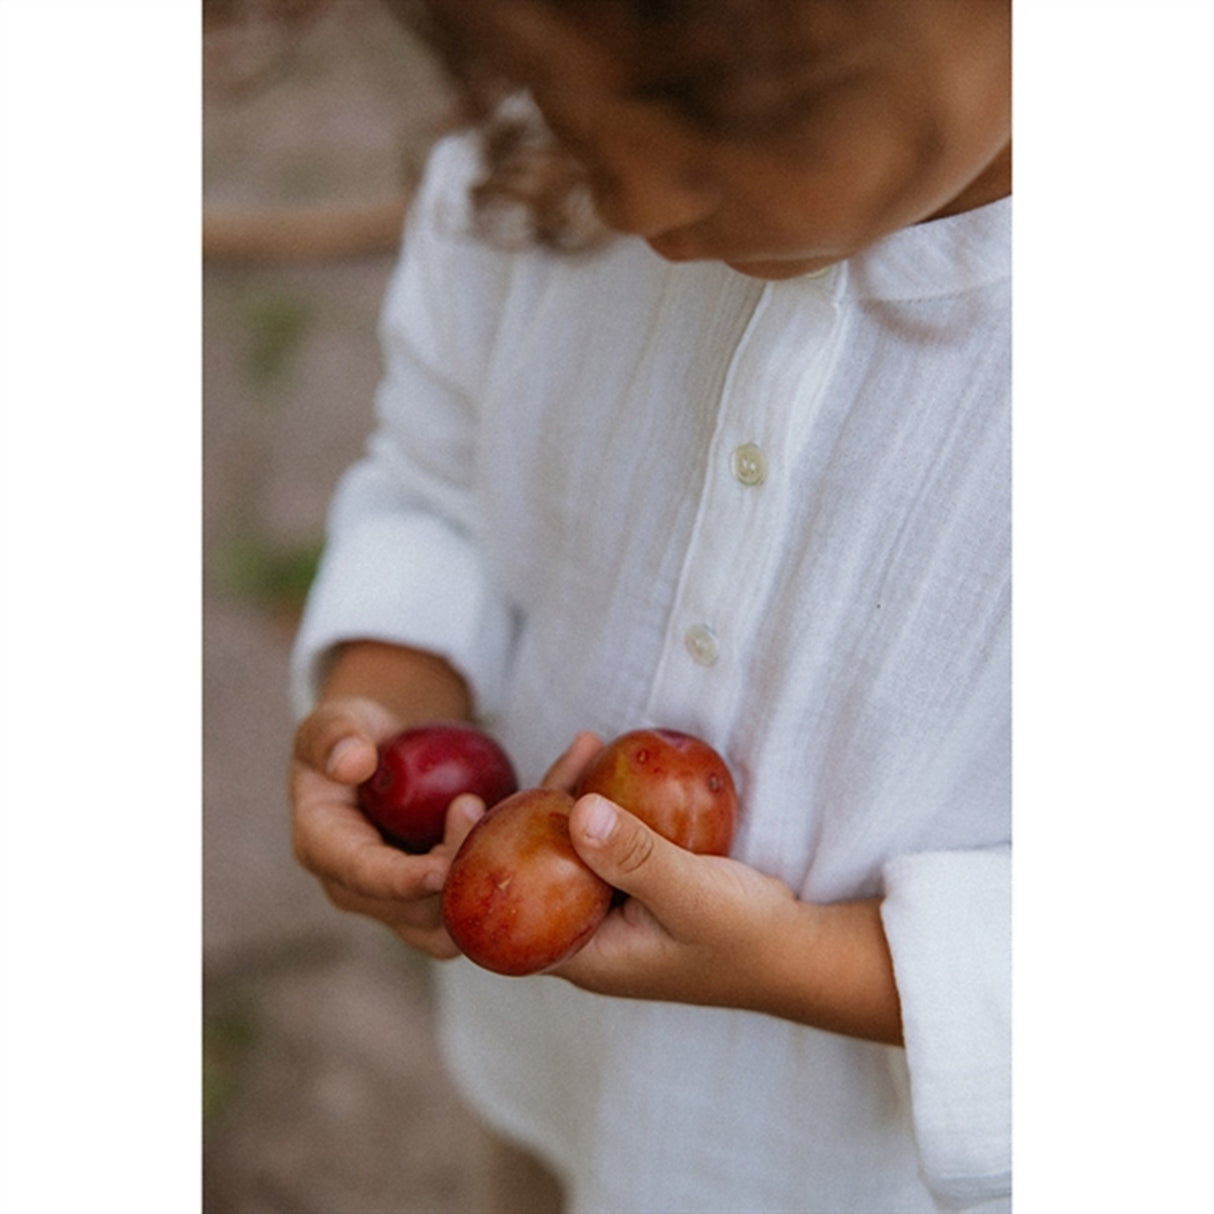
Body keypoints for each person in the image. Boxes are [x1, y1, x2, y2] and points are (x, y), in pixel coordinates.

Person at [289, 0, 1012, 1209]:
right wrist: (391, 698)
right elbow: (434, 475)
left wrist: (807, 963)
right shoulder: (551, 141)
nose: (625, 205)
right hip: (556, 1065)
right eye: (562, 113)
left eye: (704, 127)